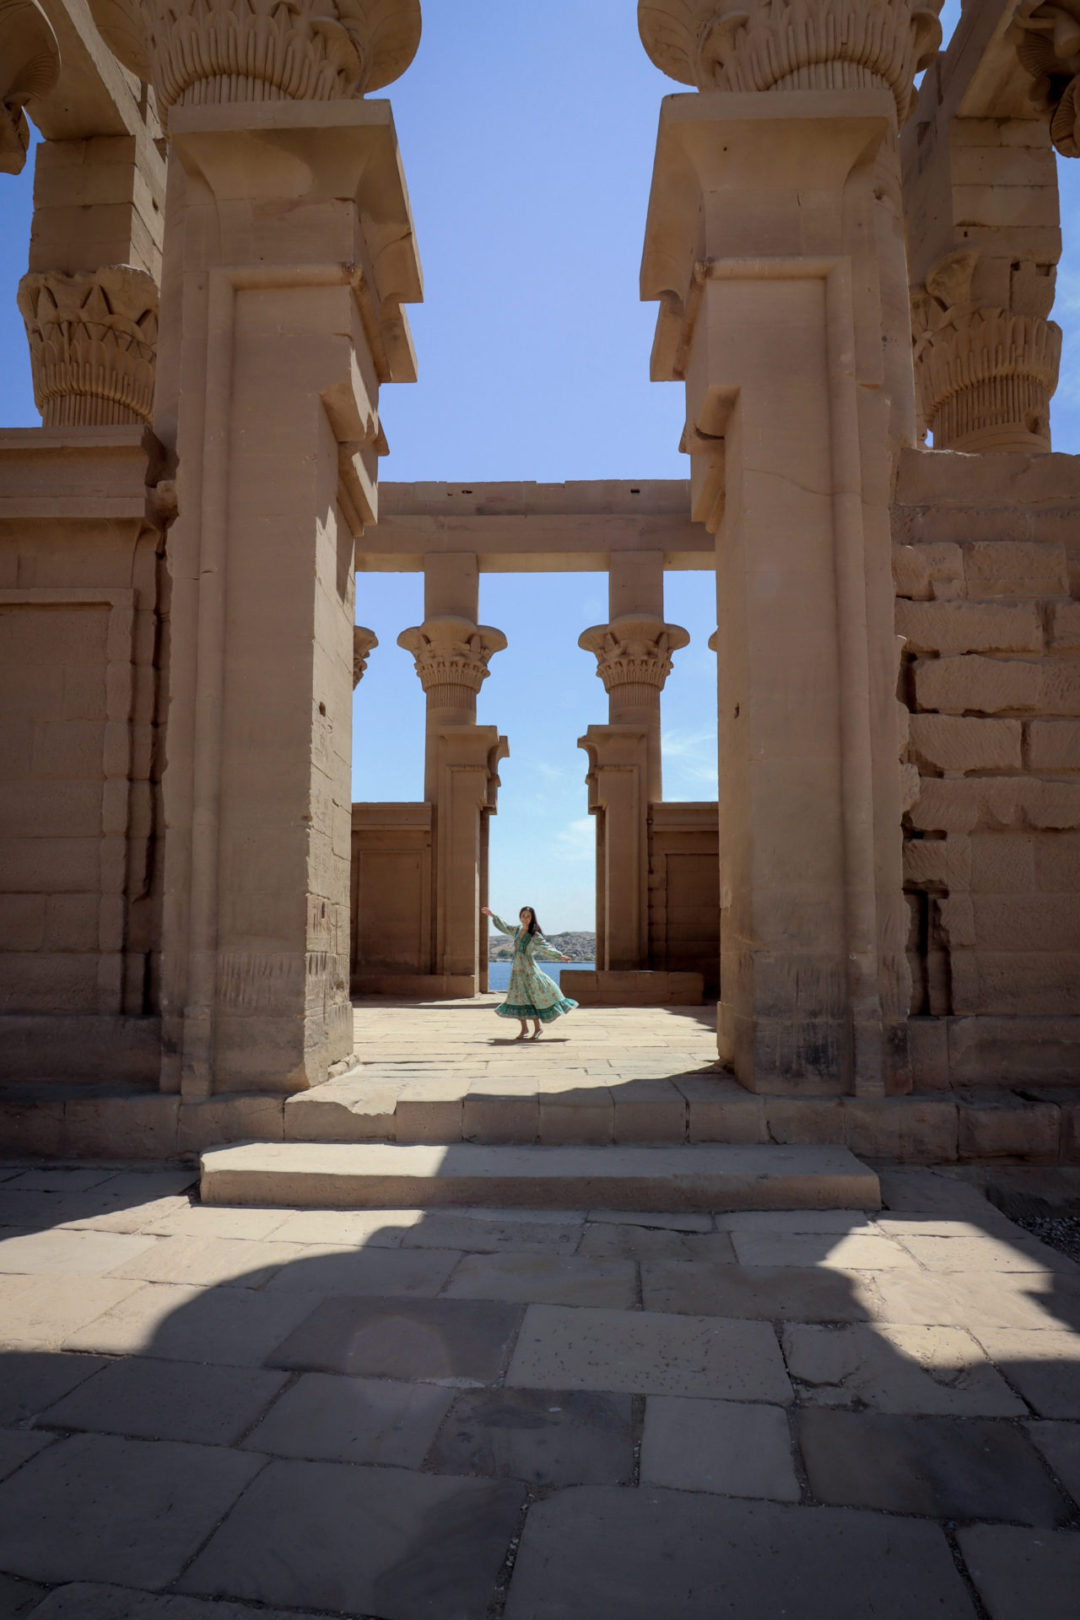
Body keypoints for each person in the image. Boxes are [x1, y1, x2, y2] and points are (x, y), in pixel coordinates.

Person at [481, 904, 578, 1040]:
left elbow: (545, 947)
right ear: (520, 917)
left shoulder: (534, 934)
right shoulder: (517, 930)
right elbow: (504, 926)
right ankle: (524, 1028)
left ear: (532, 918)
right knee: (519, 997)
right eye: (523, 916)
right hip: (517, 971)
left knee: (533, 996)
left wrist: (559, 956)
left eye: (528, 916)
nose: (525, 918)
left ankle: (538, 1028)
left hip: (529, 969)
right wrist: (492, 915)